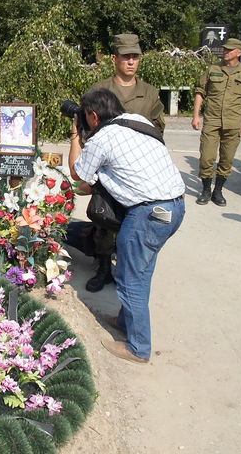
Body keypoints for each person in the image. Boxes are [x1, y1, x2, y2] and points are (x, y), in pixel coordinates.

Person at [68, 88, 185, 364]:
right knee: (140, 271)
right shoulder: (138, 120)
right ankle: (125, 322)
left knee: (130, 278)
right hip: (175, 207)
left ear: (93, 116)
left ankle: (138, 348)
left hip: (148, 213)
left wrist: (75, 133)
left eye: (85, 117)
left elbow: (78, 173)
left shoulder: (103, 137)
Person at [83, 33, 165, 292]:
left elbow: (158, 128)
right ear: (115, 59)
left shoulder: (149, 93)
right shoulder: (100, 89)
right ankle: (104, 266)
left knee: (134, 218)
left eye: (135, 57)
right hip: (107, 166)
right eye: (126, 57)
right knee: (104, 216)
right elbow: (88, 124)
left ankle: (126, 267)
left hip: (136, 170)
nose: (131, 62)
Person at [192, 38, 241, 206]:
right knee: (207, 158)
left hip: (233, 123)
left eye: (230, 50)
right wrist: (196, 115)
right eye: (225, 49)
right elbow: (200, 91)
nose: (226, 52)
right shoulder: (213, 69)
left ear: (239, 53)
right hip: (212, 121)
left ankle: (218, 191)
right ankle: (206, 190)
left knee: (227, 160)